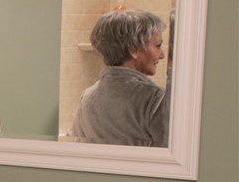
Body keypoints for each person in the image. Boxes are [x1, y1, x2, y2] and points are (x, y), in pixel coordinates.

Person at [71, 8, 171, 147]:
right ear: (133, 49)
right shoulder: (155, 100)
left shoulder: (87, 97)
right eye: (157, 46)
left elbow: (79, 147)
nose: (161, 55)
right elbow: (167, 158)